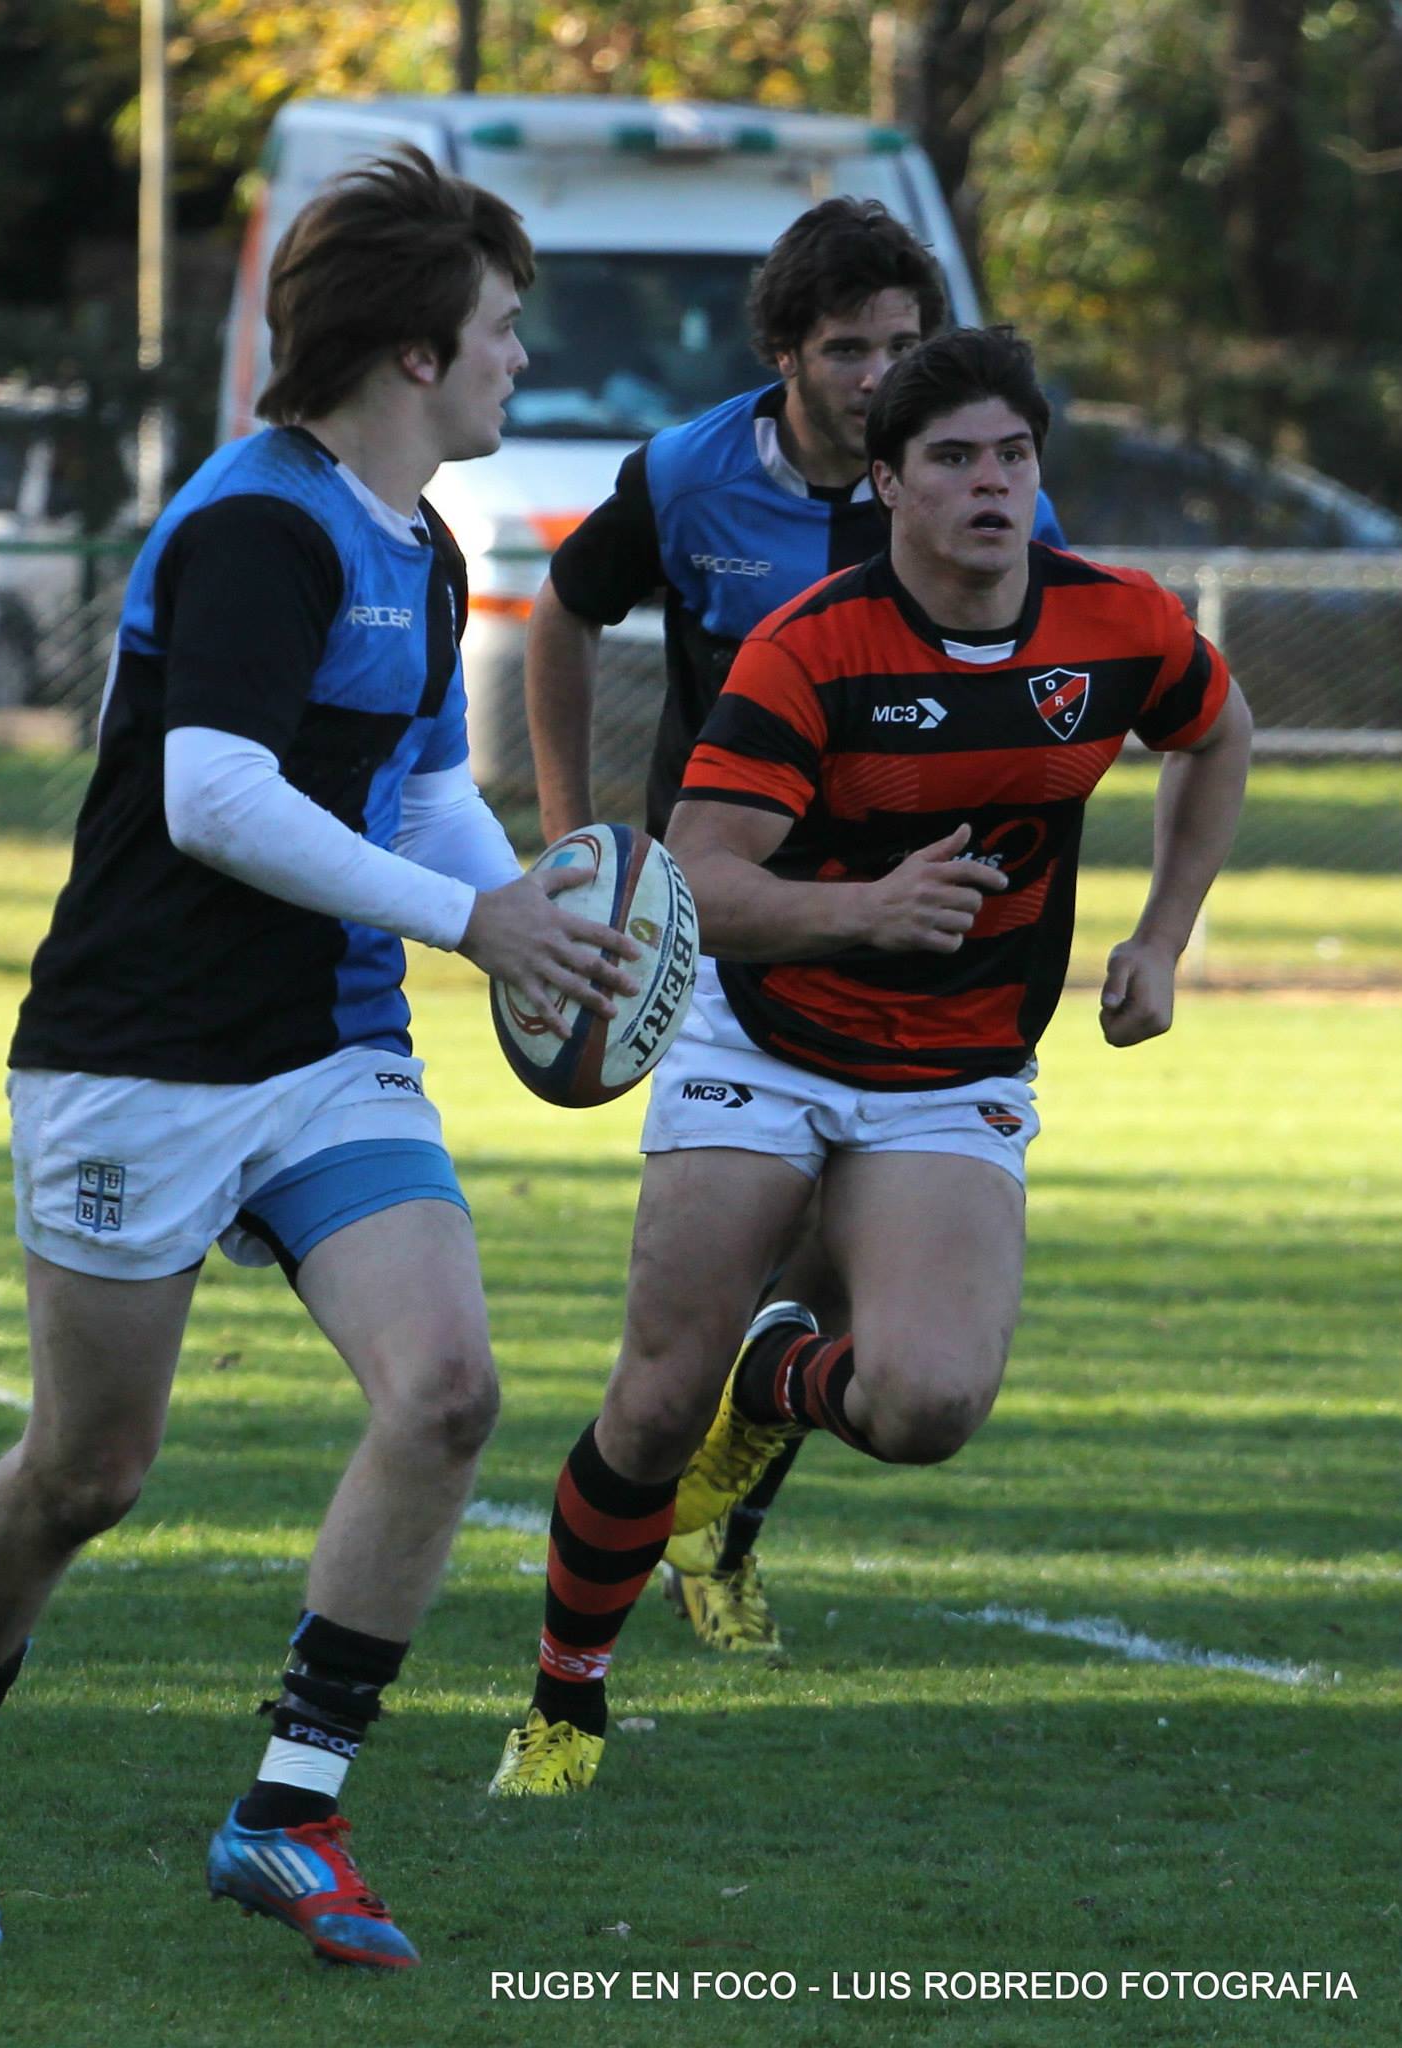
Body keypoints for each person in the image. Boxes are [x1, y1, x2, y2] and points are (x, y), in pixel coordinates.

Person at [0, 147, 639, 1968]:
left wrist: (518, 902)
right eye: (504, 330)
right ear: (414, 356)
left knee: (448, 1389)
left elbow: (423, 785)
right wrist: (476, 927)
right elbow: (213, 796)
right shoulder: (255, 531)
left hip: (328, 1050)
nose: (523, 358)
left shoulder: (421, 546)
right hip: (138, 1055)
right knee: (87, 1471)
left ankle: (292, 1809)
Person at [488, 324, 1252, 1796]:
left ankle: (782, 1372)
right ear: (888, 481)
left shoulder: (1117, 624)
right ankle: (565, 1709)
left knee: (928, 1407)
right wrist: (865, 911)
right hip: (762, 1038)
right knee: (652, 1402)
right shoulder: (813, 648)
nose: (990, 486)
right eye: (953, 459)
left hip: (957, 1065)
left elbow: (1215, 736)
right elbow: (700, 879)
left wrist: (1163, 935)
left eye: (1013, 456)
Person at [522, 197, 1066, 1659]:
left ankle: (724, 1516)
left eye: (906, 342)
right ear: (784, 356)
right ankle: (610, 1625)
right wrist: (584, 846)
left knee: (836, 1282)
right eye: (848, 349)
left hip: (928, 956)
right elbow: (562, 614)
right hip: (746, 929)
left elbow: (1059, 663)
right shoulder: (694, 474)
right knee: (702, 1330)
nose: (883, 372)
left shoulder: (976, 477)